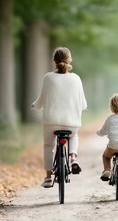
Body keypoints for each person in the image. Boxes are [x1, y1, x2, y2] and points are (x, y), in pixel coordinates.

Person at [32, 47, 87, 188]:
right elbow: (83, 104)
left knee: (49, 146)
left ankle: (48, 177)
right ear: (70, 60)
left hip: (51, 121)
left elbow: (40, 101)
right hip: (72, 122)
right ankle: (73, 158)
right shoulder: (76, 78)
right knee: (74, 137)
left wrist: (35, 106)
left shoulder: (48, 77)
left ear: (54, 61)